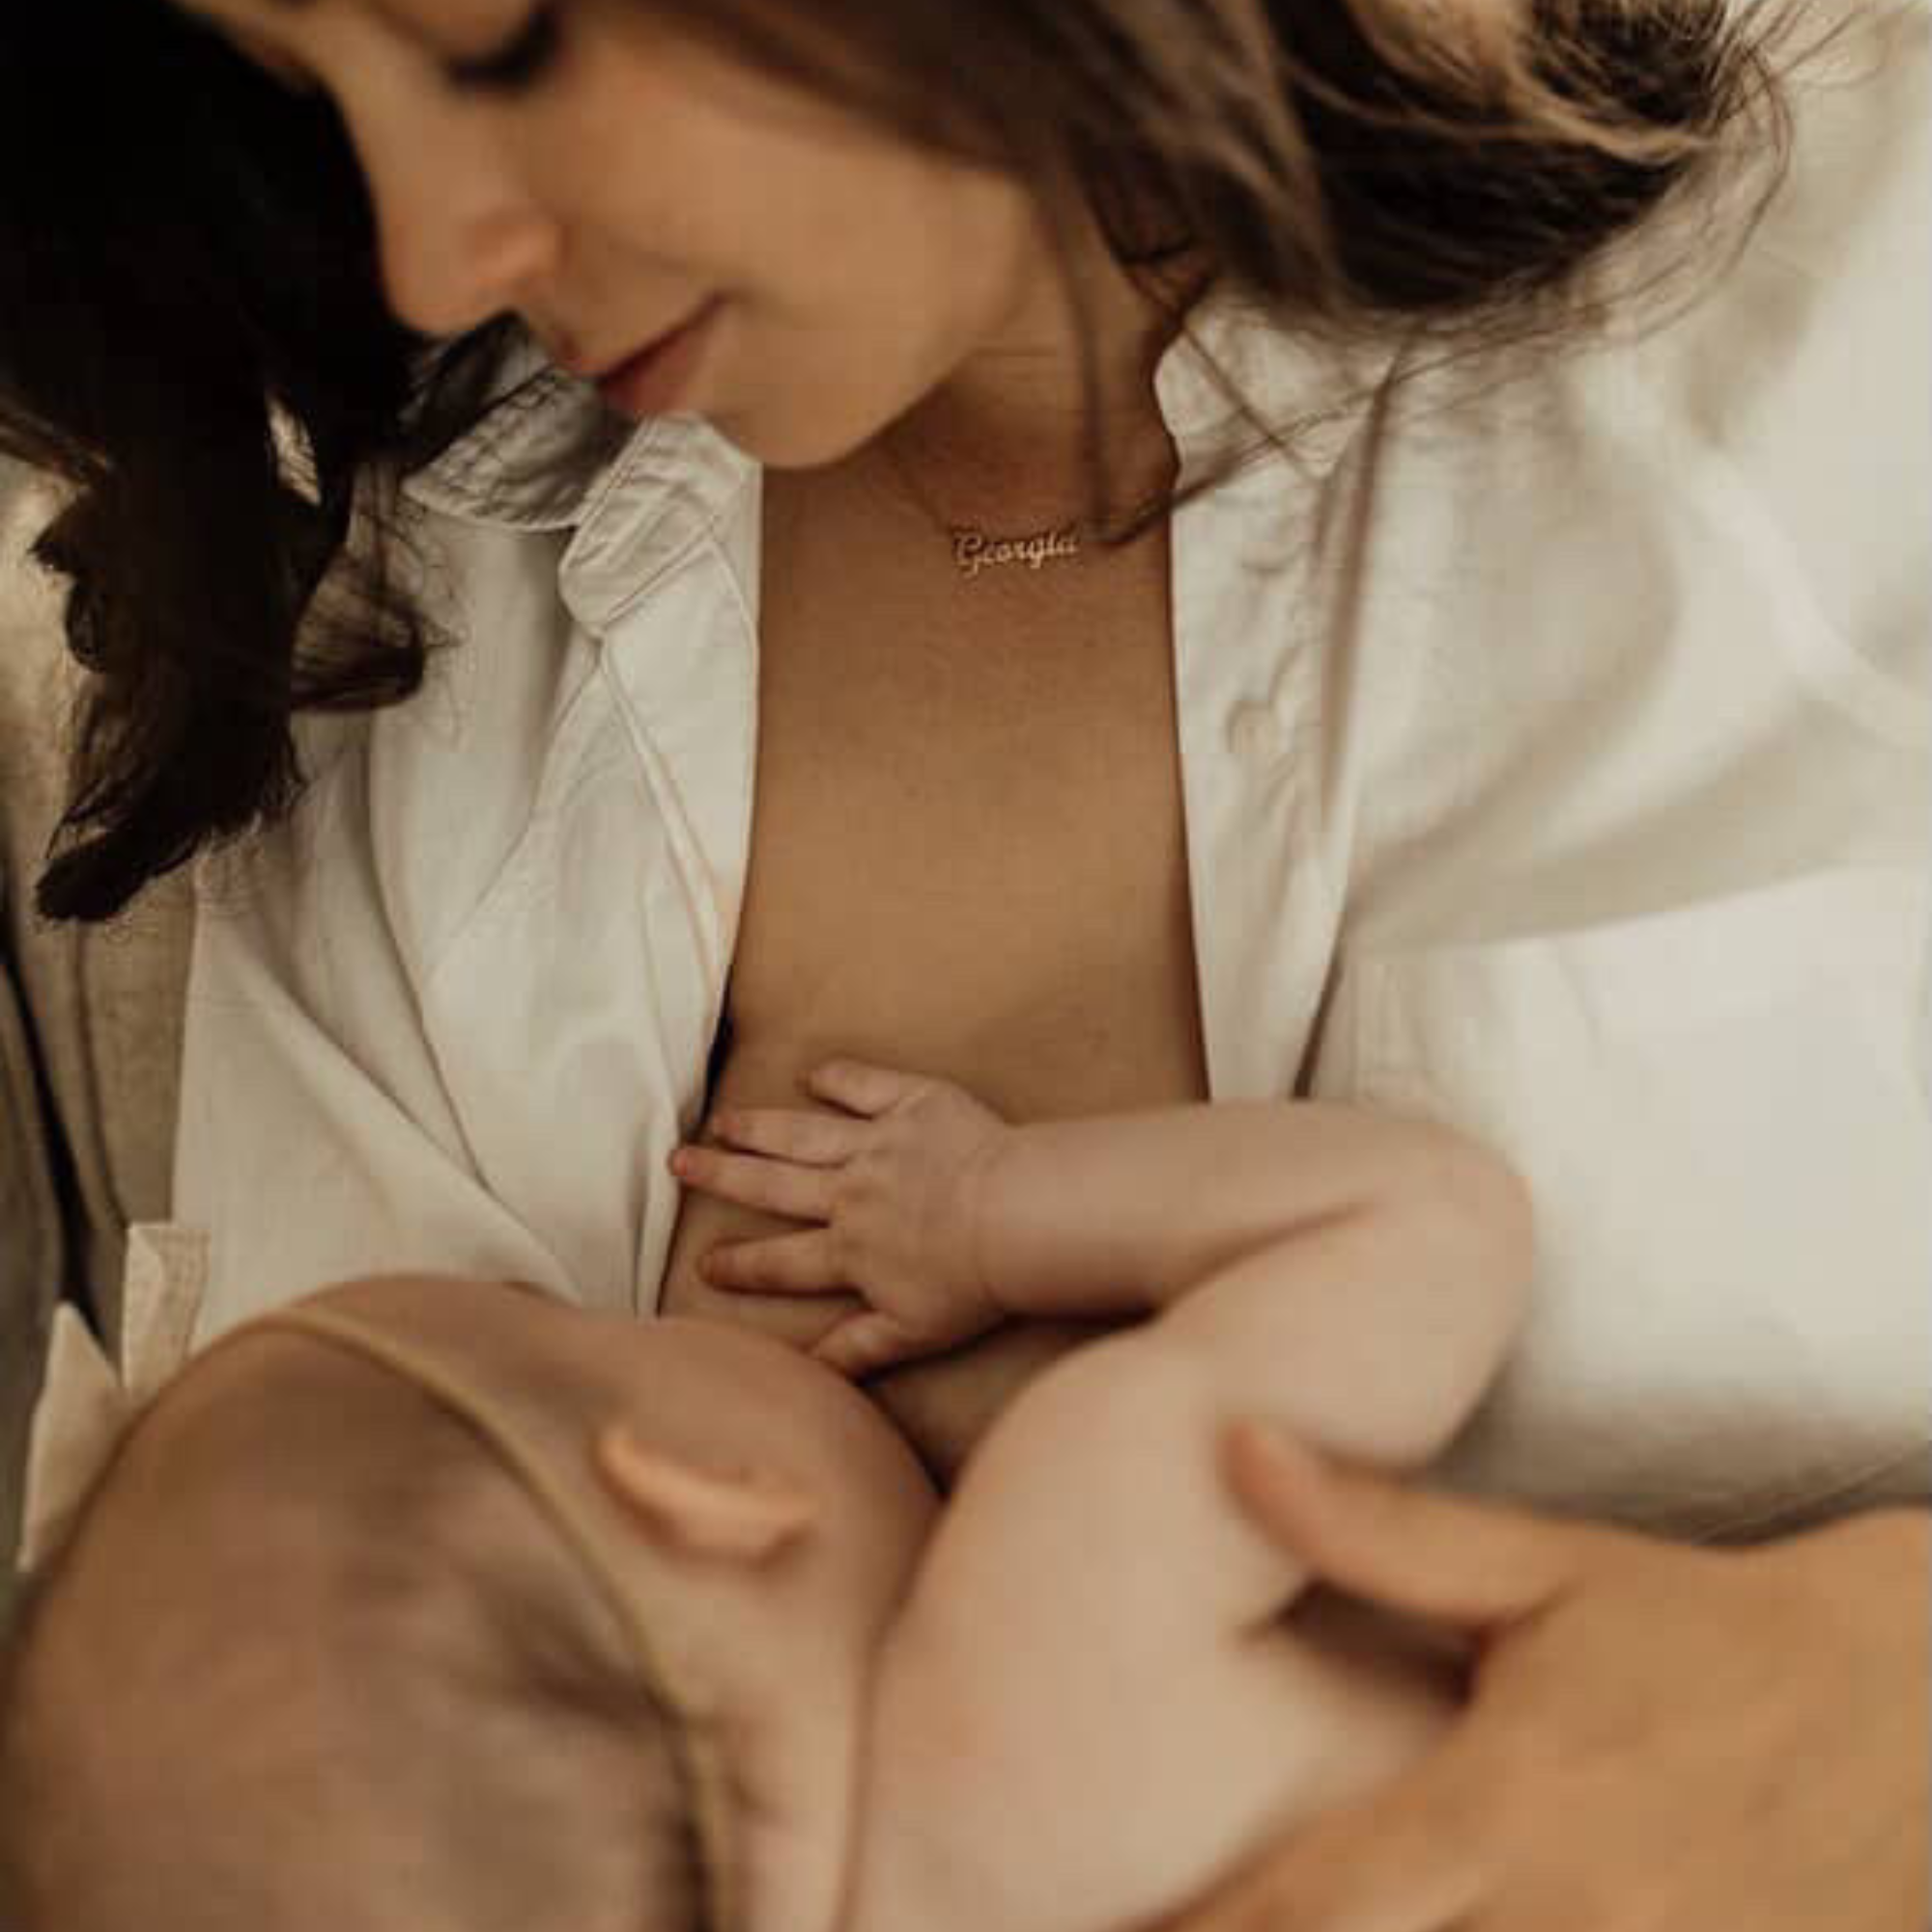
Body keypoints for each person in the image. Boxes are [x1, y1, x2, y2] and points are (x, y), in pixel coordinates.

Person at [0, 0, 1924, 1924]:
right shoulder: (389, 657)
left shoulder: (1861, 274)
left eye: (501, 41)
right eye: (309, 87)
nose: (426, 248)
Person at [1, 1053, 1527, 1932]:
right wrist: (989, 1213)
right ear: (706, 1499)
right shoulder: (1043, 1640)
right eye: (588, 1331)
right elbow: (1427, 1223)